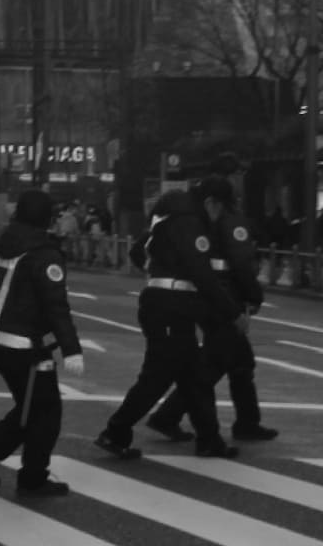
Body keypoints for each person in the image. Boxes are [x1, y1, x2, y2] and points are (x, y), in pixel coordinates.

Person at [95, 188, 244, 461]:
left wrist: (157, 271)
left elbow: (138, 252)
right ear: (208, 202)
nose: (217, 216)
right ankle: (115, 430)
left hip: (164, 304)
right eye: (218, 208)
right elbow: (202, 274)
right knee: (156, 377)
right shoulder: (190, 225)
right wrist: (232, 311)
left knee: (194, 377)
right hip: (172, 308)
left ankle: (209, 440)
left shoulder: (163, 223)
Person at [0, 190, 83, 497]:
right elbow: (56, 305)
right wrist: (72, 349)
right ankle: (20, 470)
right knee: (46, 413)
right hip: (26, 348)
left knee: (32, 408)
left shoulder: (4, 248)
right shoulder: (43, 254)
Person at [148, 176, 278, 442]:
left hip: (209, 294)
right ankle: (170, 416)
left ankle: (247, 421)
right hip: (226, 296)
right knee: (214, 363)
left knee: (239, 360)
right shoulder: (228, 216)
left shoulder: (196, 215)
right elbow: (240, 262)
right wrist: (254, 295)